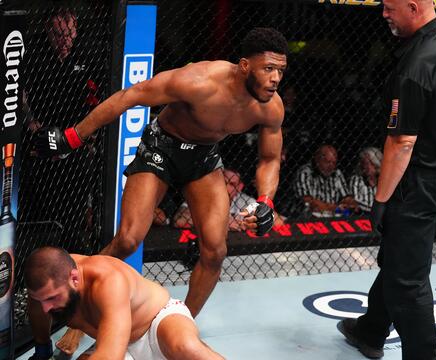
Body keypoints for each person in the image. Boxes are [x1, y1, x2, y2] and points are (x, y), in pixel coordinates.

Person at [32, 27, 286, 347]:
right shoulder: (197, 81)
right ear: (245, 65)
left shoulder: (270, 107)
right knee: (127, 239)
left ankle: (177, 325)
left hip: (204, 159)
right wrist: (74, 135)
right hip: (161, 149)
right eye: (269, 69)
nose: (276, 78)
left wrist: (266, 200)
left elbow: (269, 158)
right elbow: (131, 96)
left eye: (280, 70)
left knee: (215, 251)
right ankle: (81, 320)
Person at [336, 0, 436, 358]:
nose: (384, 14)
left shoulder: (416, 64)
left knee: (407, 280)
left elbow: (401, 141)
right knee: (401, 258)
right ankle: (371, 330)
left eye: (390, 7)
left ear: (413, 7)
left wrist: (380, 200)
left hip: (420, 182)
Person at [24, 246, 223, 360]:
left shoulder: (108, 281)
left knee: (185, 346)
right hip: (121, 343)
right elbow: (38, 310)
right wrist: (42, 352)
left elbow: (110, 356)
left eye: (51, 298)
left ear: (74, 279)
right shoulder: (46, 287)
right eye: (40, 300)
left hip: (157, 323)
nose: (46, 308)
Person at [173, 168, 285, 231]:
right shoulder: (205, 195)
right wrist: (222, 222)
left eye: (231, 184)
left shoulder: (242, 199)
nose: (226, 187)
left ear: (239, 187)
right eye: (224, 182)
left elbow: (278, 221)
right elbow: (180, 221)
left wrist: (246, 222)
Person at [294, 144, 358, 216]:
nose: (331, 166)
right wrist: (334, 207)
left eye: (334, 163)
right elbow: (308, 201)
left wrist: (350, 203)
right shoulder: (305, 172)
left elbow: (346, 197)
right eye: (327, 162)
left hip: (333, 215)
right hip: (309, 217)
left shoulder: (336, 173)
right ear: (317, 159)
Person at [349, 147, 383, 213]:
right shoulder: (357, 180)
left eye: (369, 163)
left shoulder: (383, 181)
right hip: (362, 217)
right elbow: (356, 203)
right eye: (364, 163)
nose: (366, 166)